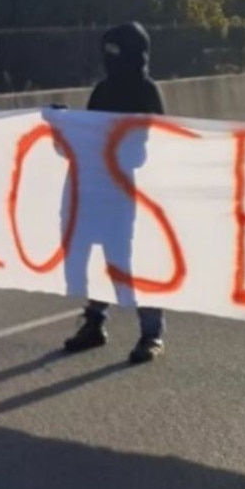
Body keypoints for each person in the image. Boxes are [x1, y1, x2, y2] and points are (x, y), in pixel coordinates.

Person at [61, 22, 167, 364]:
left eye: (117, 53)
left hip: (135, 191)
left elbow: (150, 146)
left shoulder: (147, 92)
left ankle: (151, 333)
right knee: (100, 258)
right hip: (100, 187)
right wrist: (65, 125)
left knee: (135, 260)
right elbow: (89, 137)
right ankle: (94, 324)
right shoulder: (103, 90)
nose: (111, 60)